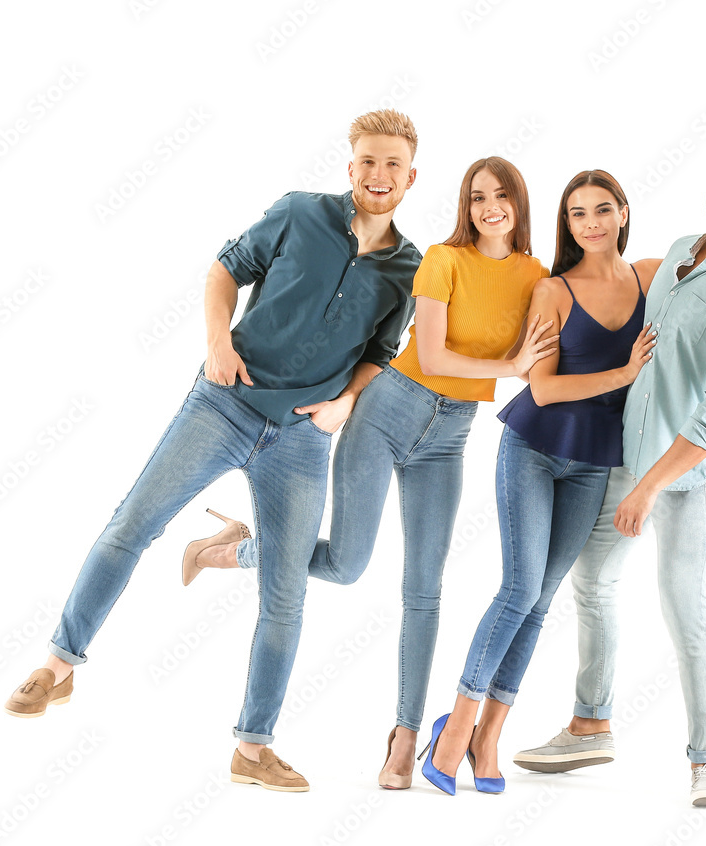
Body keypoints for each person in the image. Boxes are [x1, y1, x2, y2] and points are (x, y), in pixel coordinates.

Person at [3, 109, 423, 793]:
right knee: (132, 524)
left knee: (285, 596)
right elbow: (225, 269)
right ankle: (57, 666)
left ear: (411, 178)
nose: (379, 176)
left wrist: (345, 403)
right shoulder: (297, 213)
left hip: (300, 438)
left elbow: (381, 352)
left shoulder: (409, 267)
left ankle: (253, 748)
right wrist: (218, 344)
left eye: (392, 167)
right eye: (368, 163)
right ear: (351, 168)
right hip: (223, 404)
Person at [185, 156, 557, 790]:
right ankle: (236, 551)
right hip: (390, 409)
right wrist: (514, 365)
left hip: (451, 432)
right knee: (348, 565)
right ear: (465, 207)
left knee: (425, 589)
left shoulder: (537, 277)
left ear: (521, 204)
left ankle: (404, 737)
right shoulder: (441, 259)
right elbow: (434, 353)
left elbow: (589, 289)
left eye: (503, 197)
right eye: (477, 198)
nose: (490, 208)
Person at [419, 167, 706, 794]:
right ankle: (474, 729)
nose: (591, 224)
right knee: (536, 586)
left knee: (591, 597)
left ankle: (503, 735)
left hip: (624, 463)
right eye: (578, 214)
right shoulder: (555, 290)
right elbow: (543, 386)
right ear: (567, 223)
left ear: (624, 213)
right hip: (551, 447)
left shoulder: (656, 273)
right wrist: (624, 373)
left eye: (602, 210)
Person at [514, 140, 706, 807]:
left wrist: (649, 486)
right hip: (625, 458)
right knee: (593, 584)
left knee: (682, 608)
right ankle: (591, 724)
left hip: (677, 476)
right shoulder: (680, 251)